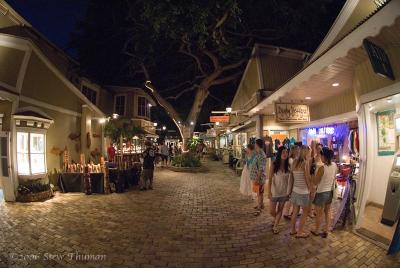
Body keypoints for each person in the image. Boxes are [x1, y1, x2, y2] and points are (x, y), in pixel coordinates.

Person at [311, 147, 337, 238]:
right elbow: (334, 177)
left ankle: (317, 230)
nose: (320, 157)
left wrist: (312, 173)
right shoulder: (334, 165)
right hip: (329, 192)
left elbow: (315, 182)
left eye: (321, 155)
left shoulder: (322, 168)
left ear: (324, 156)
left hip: (321, 193)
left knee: (319, 213)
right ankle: (326, 229)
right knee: (327, 212)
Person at [290, 145, 313, 238]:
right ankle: (300, 232)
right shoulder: (305, 163)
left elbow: (292, 178)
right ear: (306, 152)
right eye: (309, 152)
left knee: (295, 212)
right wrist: (311, 190)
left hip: (295, 190)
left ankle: (292, 230)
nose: (309, 154)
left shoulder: (294, 162)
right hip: (303, 191)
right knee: (305, 212)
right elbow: (307, 178)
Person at [268, 146, 291, 234]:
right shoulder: (274, 164)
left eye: (286, 152)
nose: (285, 154)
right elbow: (270, 179)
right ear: (279, 154)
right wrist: (269, 191)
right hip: (274, 191)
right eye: (283, 152)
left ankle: (276, 225)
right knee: (271, 211)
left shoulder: (288, 165)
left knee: (280, 209)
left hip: (284, 192)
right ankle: (275, 218)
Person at [250, 139, 267, 216]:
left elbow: (261, 168)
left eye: (255, 144)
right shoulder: (258, 153)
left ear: (257, 144)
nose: (254, 145)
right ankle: (261, 204)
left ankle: (259, 208)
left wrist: (257, 178)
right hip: (257, 176)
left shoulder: (261, 154)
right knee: (260, 192)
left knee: (259, 193)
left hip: (259, 177)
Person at [283, 145, 300, 220]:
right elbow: (292, 169)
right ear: (294, 151)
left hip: (295, 179)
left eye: (298, 150)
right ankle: (286, 213)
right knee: (290, 196)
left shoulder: (295, 159)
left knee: (293, 196)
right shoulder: (291, 159)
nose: (298, 151)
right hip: (292, 179)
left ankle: (294, 211)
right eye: (297, 150)